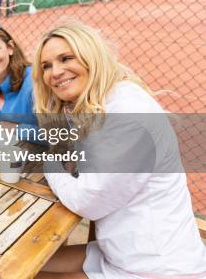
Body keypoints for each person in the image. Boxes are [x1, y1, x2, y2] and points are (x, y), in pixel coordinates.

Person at [32, 22, 206, 279]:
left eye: (66, 58)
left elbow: (87, 201)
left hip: (156, 269)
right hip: (122, 250)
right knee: (20, 265)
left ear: (92, 56)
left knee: (17, 273)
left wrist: (49, 164)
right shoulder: (102, 103)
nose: (54, 72)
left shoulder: (128, 113)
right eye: (46, 66)